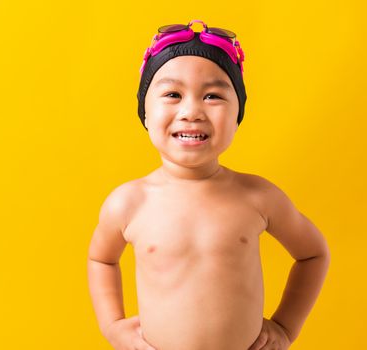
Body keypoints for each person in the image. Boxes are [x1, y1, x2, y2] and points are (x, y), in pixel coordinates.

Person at [87, 19, 330, 350]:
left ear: (237, 115)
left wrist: (286, 327)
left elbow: (313, 254)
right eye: (172, 94)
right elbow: (101, 259)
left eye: (213, 95)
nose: (191, 111)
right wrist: (112, 326)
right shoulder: (129, 202)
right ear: (145, 111)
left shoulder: (259, 197)